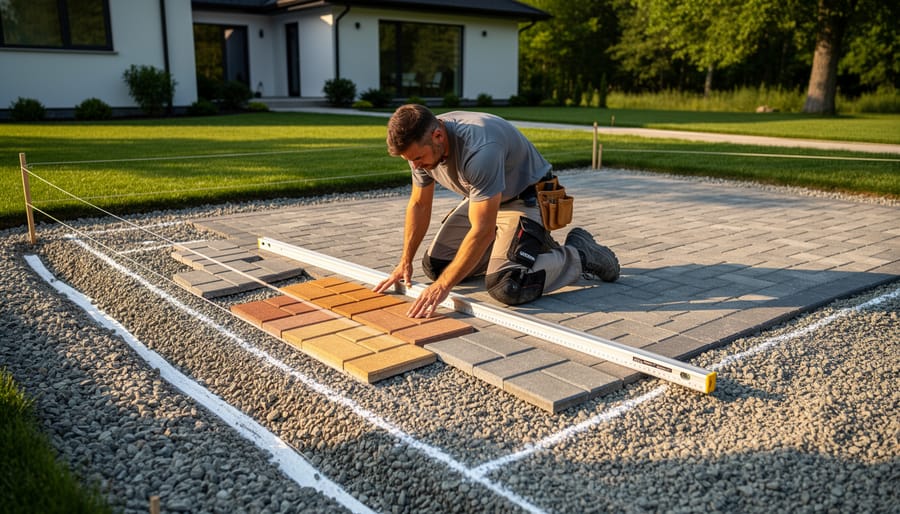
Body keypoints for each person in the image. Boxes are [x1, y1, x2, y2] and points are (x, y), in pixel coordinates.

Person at [373, 104, 619, 318]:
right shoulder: (420, 144)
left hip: (525, 199)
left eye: (418, 158)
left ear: (438, 135)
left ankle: (580, 254)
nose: (415, 166)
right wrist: (404, 262)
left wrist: (442, 288)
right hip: (484, 199)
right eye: (410, 160)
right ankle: (521, 249)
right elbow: (419, 204)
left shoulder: (480, 149)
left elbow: (482, 231)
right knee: (437, 266)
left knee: (507, 284)